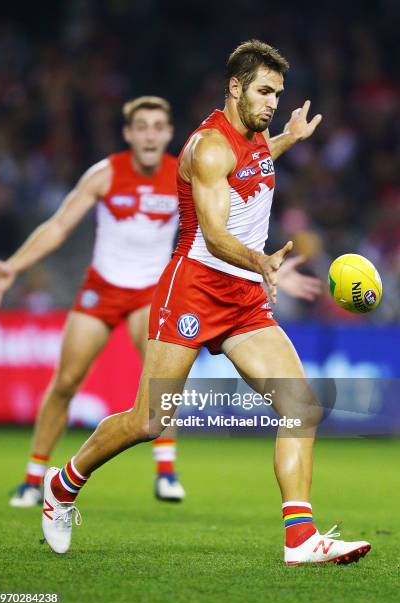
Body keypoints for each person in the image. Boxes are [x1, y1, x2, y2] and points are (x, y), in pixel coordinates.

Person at [37, 40, 371, 562]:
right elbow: (214, 236)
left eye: (278, 94)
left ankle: (301, 540)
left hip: (242, 300)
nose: (272, 102)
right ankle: (62, 485)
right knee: (149, 422)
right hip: (193, 288)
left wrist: (285, 137)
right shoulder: (208, 147)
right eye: (263, 91)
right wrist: (260, 260)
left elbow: (254, 161)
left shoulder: (256, 132)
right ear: (234, 87)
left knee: (301, 407)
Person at [0, 95, 321, 508]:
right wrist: (14, 266)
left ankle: (173, 475)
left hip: (154, 293)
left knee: (286, 407)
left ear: (167, 134)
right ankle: (41, 477)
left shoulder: (180, 168)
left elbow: (244, 170)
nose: (149, 135)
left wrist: (287, 139)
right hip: (113, 289)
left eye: (157, 127)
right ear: (128, 134)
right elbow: (59, 226)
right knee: (81, 389)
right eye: (141, 127)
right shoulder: (106, 174)